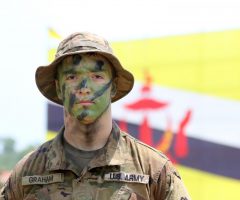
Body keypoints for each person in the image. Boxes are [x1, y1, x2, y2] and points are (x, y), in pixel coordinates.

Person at [0, 32, 190, 200]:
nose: (84, 88)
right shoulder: (27, 174)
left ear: (113, 86)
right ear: (58, 88)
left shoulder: (152, 170)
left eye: (96, 76)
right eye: (72, 77)